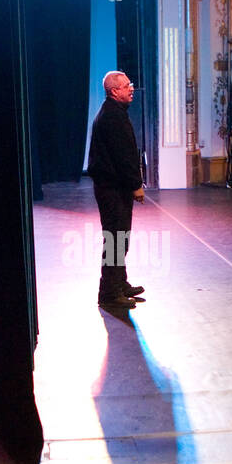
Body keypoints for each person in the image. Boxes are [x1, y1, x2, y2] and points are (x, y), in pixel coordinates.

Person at [87, 70, 146, 308]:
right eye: (126, 86)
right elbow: (124, 157)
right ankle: (109, 293)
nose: (131, 88)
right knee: (115, 240)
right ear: (114, 91)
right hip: (112, 189)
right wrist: (136, 185)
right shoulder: (112, 117)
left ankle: (119, 284)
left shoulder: (115, 113)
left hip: (114, 188)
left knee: (120, 239)